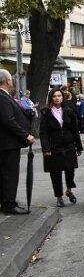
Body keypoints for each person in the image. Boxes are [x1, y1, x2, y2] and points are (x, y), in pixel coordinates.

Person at [0, 69, 36, 215]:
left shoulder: (4, 96)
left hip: (8, 144)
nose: (13, 82)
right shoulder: (2, 97)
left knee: (6, 174)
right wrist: (25, 135)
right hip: (7, 144)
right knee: (9, 174)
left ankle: (7, 201)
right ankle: (9, 203)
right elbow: (8, 120)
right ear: (8, 81)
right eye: (12, 79)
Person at [39, 88, 83, 207]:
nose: (57, 98)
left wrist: (79, 146)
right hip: (54, 148)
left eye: (59, 96)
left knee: (70, 171)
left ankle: (69, 190)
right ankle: (59, 197)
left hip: (68, 146)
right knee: (55, 174)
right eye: (54, 96)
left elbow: (75, 130)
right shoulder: (45, 113)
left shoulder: (69, 111)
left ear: (63, 98)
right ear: (51, 98)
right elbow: (43, 133)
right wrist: (46, 149)